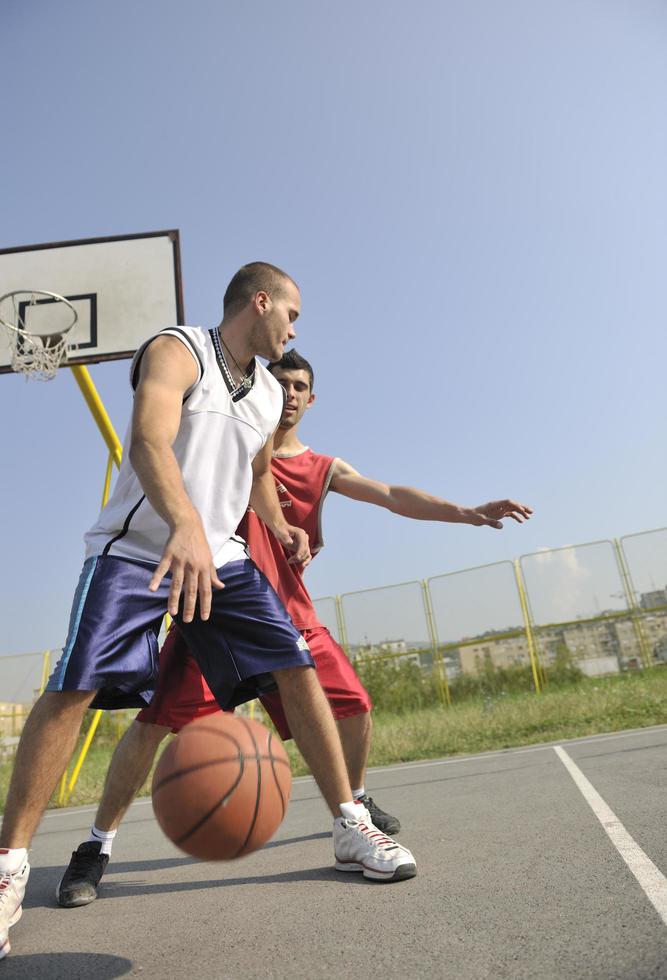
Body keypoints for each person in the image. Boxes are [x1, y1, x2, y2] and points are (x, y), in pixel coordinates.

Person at [0, 265, 417, 961]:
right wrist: (186, 527)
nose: (294, 327)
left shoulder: (262, 393)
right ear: (259, 303)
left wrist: (277, 525)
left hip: (219, 558)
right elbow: (148, 443)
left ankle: (349, 825)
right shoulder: (177, 349)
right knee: (72, 690)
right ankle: (10, 865)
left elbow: (252, 472)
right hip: (137, 553)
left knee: (295, 663)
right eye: (292, 312)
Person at [55, 348, 532, 908]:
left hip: (290, 617)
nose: (289, 394)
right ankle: (96, 845)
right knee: (153, 726)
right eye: (280, 383)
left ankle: (352, 808)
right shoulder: (224, 454)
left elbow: (391, 496)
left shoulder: (319, 468)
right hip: (213, 612)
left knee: (352, 705)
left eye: (300, 386)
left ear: (310, 398)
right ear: (261, 390)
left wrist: (467, 512)